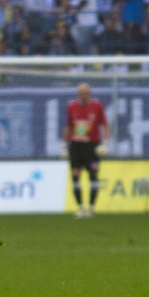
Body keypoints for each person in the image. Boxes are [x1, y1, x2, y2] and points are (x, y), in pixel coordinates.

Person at [63, 83, 108, 218]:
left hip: (92, 146)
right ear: (78, 94)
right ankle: (81, 207)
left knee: (93, 175)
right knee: (75, 174)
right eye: (81, 94)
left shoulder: (97, 106)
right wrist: (64, 145)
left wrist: (105, 143)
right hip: (76, 145)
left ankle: (91, 207)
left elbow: (105, 125)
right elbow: (68, 126)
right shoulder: (71, 106)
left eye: (86, 93)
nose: (84, 96)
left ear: (90, 94)